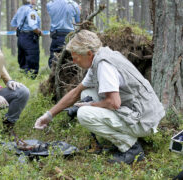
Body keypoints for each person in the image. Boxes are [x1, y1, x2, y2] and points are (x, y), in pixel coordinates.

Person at [34, 30, 165, 164]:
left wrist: (90, 106)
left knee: (84, 114)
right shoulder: (101, 57)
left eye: (76, 57)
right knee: (86, 94)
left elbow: (114, 103)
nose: (73, 61)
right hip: (143, 112)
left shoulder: (104, 66)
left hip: (144, 120)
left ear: (88, 53)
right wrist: (49, 115)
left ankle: (131, 148)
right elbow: (76, 93)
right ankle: (123, 135)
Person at [11, 0, 42, 78]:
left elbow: (13, 23)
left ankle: (23, 79)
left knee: (22, 61)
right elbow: (33, 27)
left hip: (21, 37)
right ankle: (31, 80)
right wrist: (40, 32)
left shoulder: (20, 9)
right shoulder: (31, 11)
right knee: (32, 61)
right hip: (30, 38)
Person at [47, 0, 80, 68]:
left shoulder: (50, 4)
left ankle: (54, 76)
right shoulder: (74, 5)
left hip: (56, 36)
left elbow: (49, 9)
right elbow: (78, 22)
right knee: (70, 59)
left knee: (54, 59)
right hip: (70, 37)